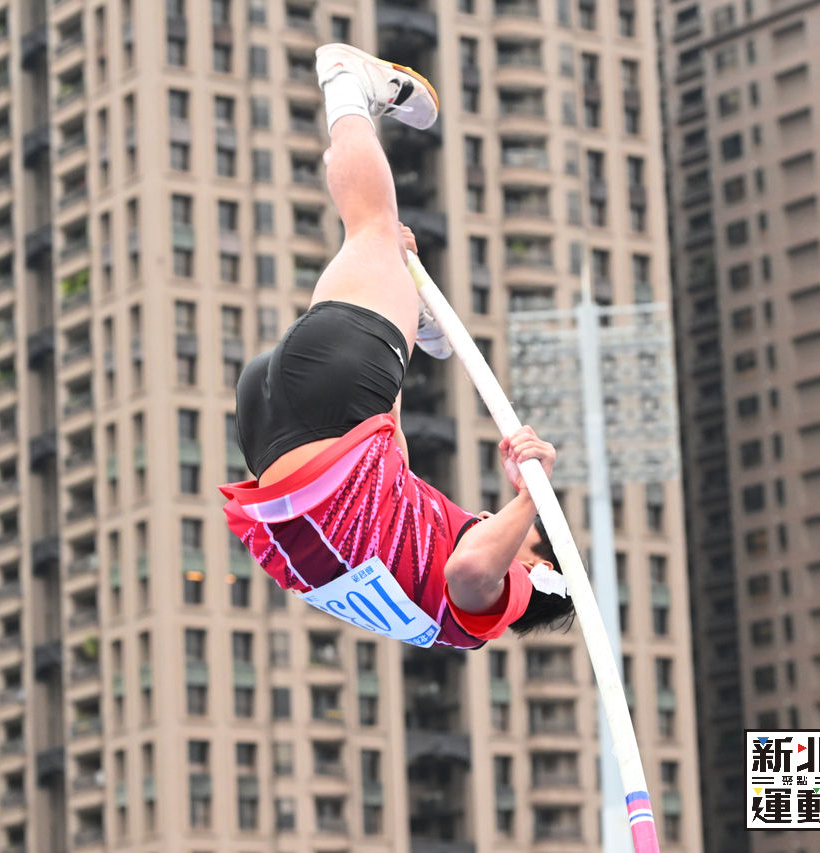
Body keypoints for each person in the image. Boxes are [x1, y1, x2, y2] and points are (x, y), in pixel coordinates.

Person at [219, 44, 575, 648]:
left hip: (327, 447)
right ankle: (407, 312)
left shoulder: (498, 597)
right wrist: (394, 340)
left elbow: (473, 570)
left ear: (539, 567)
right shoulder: (425, 604)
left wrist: (532, 498)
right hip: (277, 440)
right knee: (372, 245)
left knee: (372, 223)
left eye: (527, 539)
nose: (494, 520)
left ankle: (347, 85)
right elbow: (392, 466)